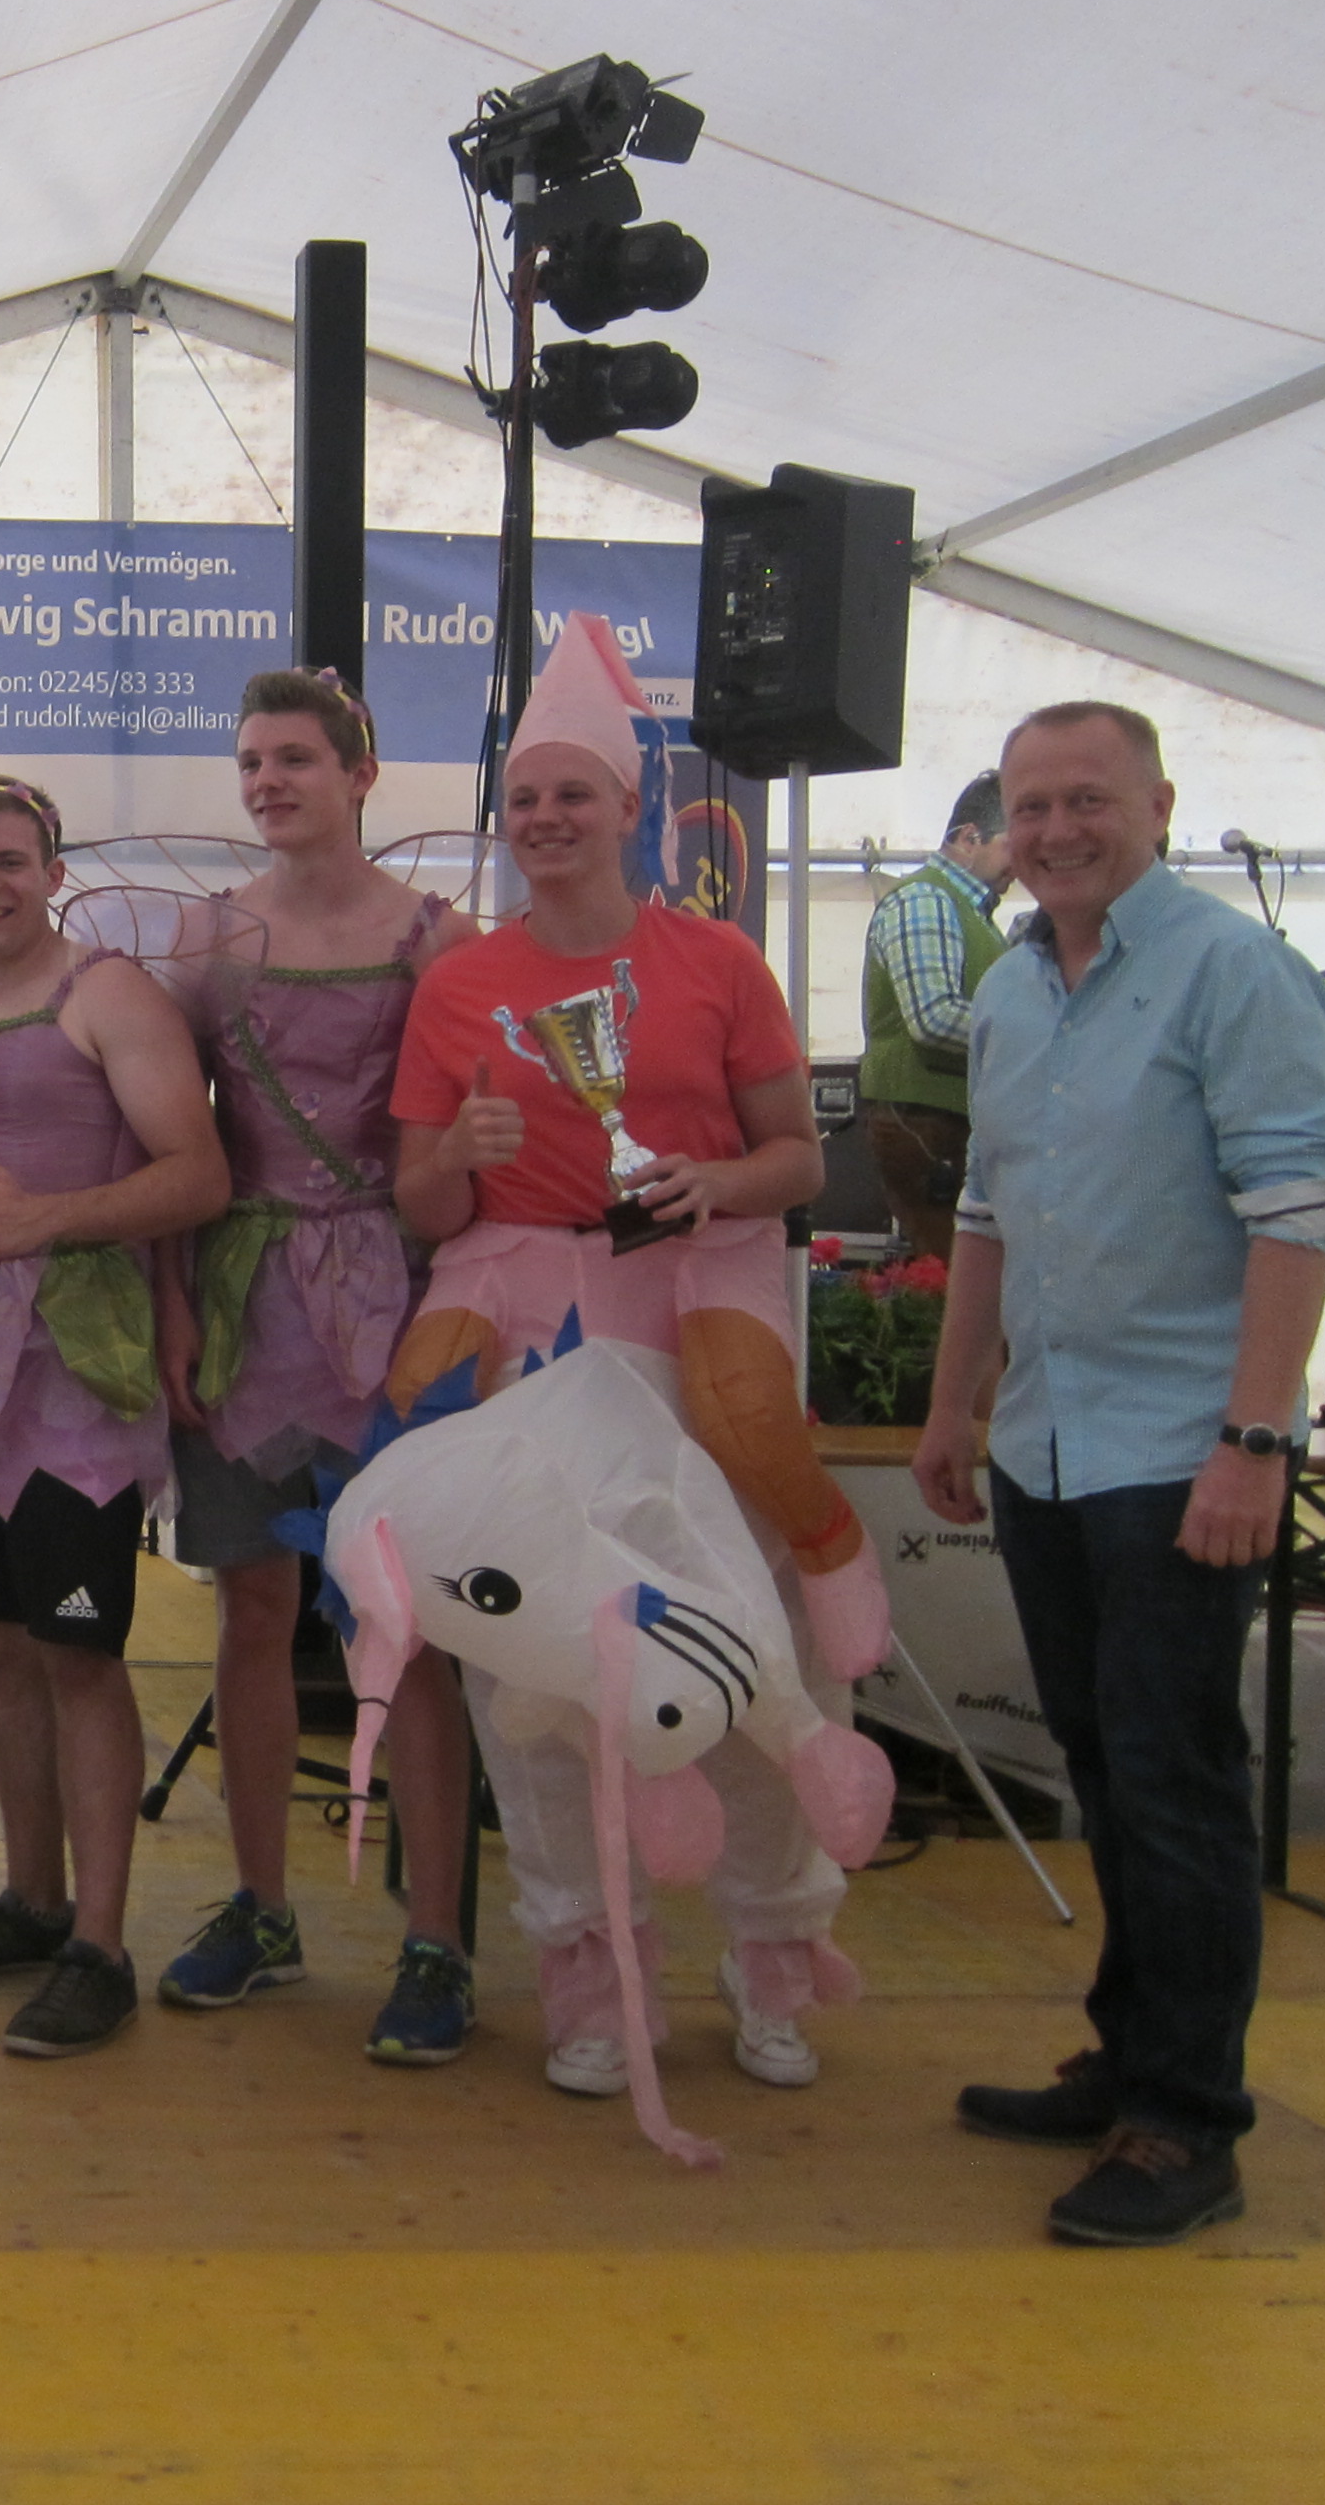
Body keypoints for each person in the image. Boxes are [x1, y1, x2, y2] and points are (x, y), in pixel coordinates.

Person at [390, 620, 883, 2099]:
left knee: (743, 1633)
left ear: (628, 807)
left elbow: (800, 1159)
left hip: (693, 1316)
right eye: (525, 799)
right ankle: (588, 1969)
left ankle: (774, 1946)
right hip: (530, 1339)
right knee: (536, 1661)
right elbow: (419, 1203)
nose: (546, 820)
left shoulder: (716, 960)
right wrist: (457, 1157)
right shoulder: (459, 985)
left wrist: (712, 1184)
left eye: (572, 796)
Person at [918, 701, 1325, 2247]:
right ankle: (1128, 2054)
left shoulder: (1237, 974)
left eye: (1087, 800)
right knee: (1102, 1767)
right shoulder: (1010, 992)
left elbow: (1297, 1217)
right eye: (1032, 806)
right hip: (1046, 1446)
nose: (1056, 831)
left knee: (1176, 1783)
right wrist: (955, 1404)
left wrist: (1253, 1441)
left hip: (1180, 1452)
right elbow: (985, 1212)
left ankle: (1187, 2123)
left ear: (1159, 804)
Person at [0, 774, 230, 2056]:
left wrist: (52, 1219)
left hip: (80, 1368)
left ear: (53, 875)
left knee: (78, 1654)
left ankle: (101, 1950)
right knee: (3, 1647)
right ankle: (30, 1901)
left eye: (8, 862)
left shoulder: (110, 995)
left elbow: (199, 1175)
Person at [147, 669, 479, 2056]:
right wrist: (173, 1307)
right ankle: (263, 1908)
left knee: (409, 1624)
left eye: (292, 757)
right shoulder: (208, 937)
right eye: (250, 762)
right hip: (242, 1300)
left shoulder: (436, 938)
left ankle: (437, 1940)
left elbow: (459, 1147)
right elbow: (171, 1139)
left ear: (360, 773)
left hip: (393, 1300)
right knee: (250, 1605)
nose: (268, 782)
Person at [858, 773, 1012, 1261]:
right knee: (955, 1273)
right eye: (1014, 844)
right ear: (969, 838)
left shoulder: (968, 910)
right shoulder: (926, 899)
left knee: (968, 1272)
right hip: (926, 1125)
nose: (1025, 861)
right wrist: (1038, 1035)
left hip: (947, 1123)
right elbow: (934, 1017)